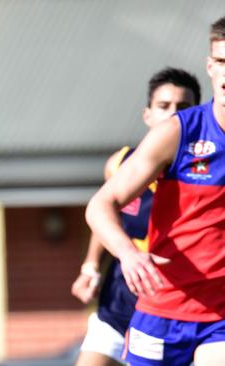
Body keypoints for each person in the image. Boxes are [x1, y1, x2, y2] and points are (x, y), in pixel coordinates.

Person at [86, 16, 225, 365]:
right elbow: (101, 205)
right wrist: (127, 255)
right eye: (222, 61)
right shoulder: (178, 133)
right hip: (162, 308)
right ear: (210, 66)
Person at [71, 67, 201, 366]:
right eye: (164, 106)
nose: (172, 115)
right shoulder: (120, 165)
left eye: (183, 108)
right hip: (120, 300)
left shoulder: (207, 174)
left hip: (177, 308)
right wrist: (91, 267)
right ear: (147, 114)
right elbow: (105, 216)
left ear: (198, 115)